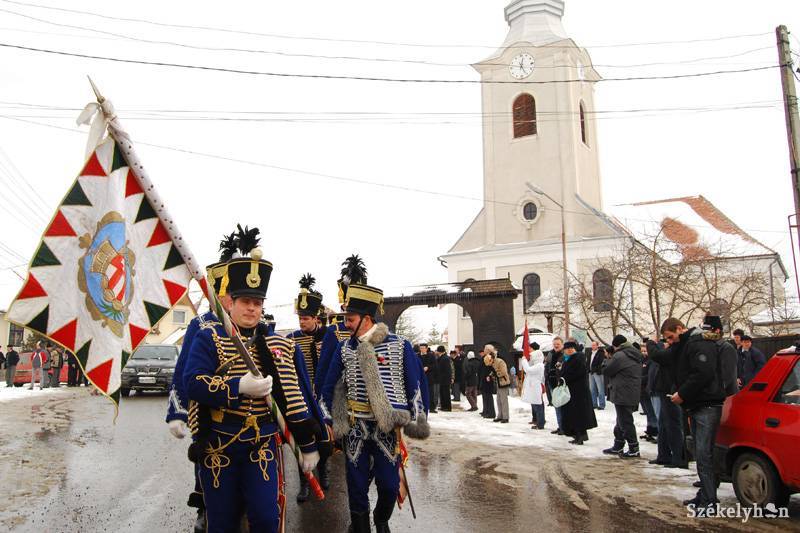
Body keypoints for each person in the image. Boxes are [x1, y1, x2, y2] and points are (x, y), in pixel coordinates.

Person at [184, 227, 329, 533]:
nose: (252, 308)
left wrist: (308, 445)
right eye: (245, 301)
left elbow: (296, 396)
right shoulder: (208, 337)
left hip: (261, 446)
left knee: (266, 518)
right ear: (231, 303)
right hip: (218, 446)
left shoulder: (279, 345)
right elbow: (192, 383)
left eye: (257, 303)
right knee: (222, 523)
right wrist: (237, 387)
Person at [321, 258, 429, 533]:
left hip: (386, 428)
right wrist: (328, 418)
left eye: (350, 319)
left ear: (367, 319)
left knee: (389, 485)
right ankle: (361, 527)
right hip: (355, 428)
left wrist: (415, 417)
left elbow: (415, 383)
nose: (345, 324)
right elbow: (328, 384)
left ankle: (381, 519)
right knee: (355, 486)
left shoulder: (399, 345)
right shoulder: (345, 348)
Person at [660, 317, 726, 509]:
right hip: (698, 403)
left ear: (680, 328)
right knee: (700, 453)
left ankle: (709, 501)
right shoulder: (690, 343)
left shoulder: (700, 343)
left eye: (671, 337)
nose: (670, 342)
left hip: (707, 404)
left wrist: (682, 393)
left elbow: (702, 373)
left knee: (704, 455)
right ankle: (705, 494)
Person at [286, 273, 332, 502]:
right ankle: (304, 482)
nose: (302, 323)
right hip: (301, 397)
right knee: (302, 438)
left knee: (323, 438)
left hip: (322, 396)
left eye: (306, 318)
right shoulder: (292, 339)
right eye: (300, 318)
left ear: (316, 318)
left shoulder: (328, 336)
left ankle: (323, 470)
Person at [646, 336, 687, 469]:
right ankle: (663, 455)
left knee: (673, 424)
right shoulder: (671, 350)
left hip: (671, 390)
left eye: (669, 338)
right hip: (663, 389)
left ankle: (678, 458)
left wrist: (651, 342)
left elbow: (657, 355)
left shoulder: (676, 350)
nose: (667, 342)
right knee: (663, 424)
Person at [602, 335, 642, 458]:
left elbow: (607, 370)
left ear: (616, 345)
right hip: (631, 390)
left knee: (625, 421)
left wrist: (607, 359)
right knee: (621, 420)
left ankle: (633, 447)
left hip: (622, 391)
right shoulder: (634, 353)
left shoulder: (620, 356)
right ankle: (618, 445)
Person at [557, 340, 597, 444]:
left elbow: (577, 373)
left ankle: (580, 436)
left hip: (578, 392)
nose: (569, 350)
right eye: (567, 348)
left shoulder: (578, 358)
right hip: (571, 391)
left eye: (571, 348)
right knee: (573, 415)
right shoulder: (568, 359)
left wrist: (564, 378)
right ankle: (577, 435)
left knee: (578, 415)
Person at [520, 348, 546, 429]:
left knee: (538, 406)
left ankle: (540, 424)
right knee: (536, 405)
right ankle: (539, 422)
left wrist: (524, 360)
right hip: (533, 387)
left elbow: (528, 370)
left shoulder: (539, 365)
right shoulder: (536, 365)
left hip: (536, 387)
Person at [485, 345, 510, 423]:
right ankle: (500, 416)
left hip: (503, 383)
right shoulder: (493, 363)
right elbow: (494, 371)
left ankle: (505, 417)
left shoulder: (500, 361)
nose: (490, 365)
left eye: (490, 363)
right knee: (498, 401)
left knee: (503, 401)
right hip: (498, 383)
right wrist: (490, 375)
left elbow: (503, 372)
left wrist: (495, 375)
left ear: (491, 359)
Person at [639, 343, 658, 442]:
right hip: (641, 389)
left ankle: (655, 430)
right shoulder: (642, 360)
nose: (643, 353)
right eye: (642, 351)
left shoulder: (651, 361)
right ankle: (650, 429)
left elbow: (649, 375)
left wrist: (640, 379)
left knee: (652, 412)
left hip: (647, 388)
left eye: (645, 351)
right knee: (647, 411)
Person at [544, 337, 564, 434]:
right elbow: (546, 366)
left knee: (562, 406)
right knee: (556, 406)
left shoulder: (564, 354)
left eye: (558, 344)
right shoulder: (550, 353)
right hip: (551, 383)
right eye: (555, 344)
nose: (556, 345)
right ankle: (560, 426)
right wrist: (546, 377)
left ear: (562, 344)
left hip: (560, 384)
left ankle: (564, 427)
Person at [420, 343, 439, 413]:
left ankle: (432, 408)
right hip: (420, 377)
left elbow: (435, 366)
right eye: (421, 348)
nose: (422, 349)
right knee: (421, 393)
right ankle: (421, 407)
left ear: (427, 348)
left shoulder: (431, 356)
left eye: (423, 348)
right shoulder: (417, 356)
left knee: (431, 393)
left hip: (429, 377)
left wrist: (428, 367)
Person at [587, 341, 606, 410]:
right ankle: (594, 404)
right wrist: (588, 370)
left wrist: (595, 369)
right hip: (590, 373)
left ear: (597, 346)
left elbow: (600, 363)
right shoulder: (590, 353)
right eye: (592, 345)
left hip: (598, 373)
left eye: (594, 345)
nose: (593, 346)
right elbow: (588, 362)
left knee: (600, 389)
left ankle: (602, 405)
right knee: (592, 389)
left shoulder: (601, 353)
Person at [478, 349, 496, 419]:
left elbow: (493, 370)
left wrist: (489, 375)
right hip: (484, 381)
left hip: (488, 382)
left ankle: (490, 413)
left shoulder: (491, 360)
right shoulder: (486, 360)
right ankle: (486, 411)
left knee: (488, 398)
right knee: (485, 397)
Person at [437, 346, 453, 412]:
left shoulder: (445, 358)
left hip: (445, 379)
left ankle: (447, 407)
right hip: (442, 378)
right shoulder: (442, 357)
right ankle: (444, 406)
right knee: (442, 393)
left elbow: (447, 370)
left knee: (446, 393)